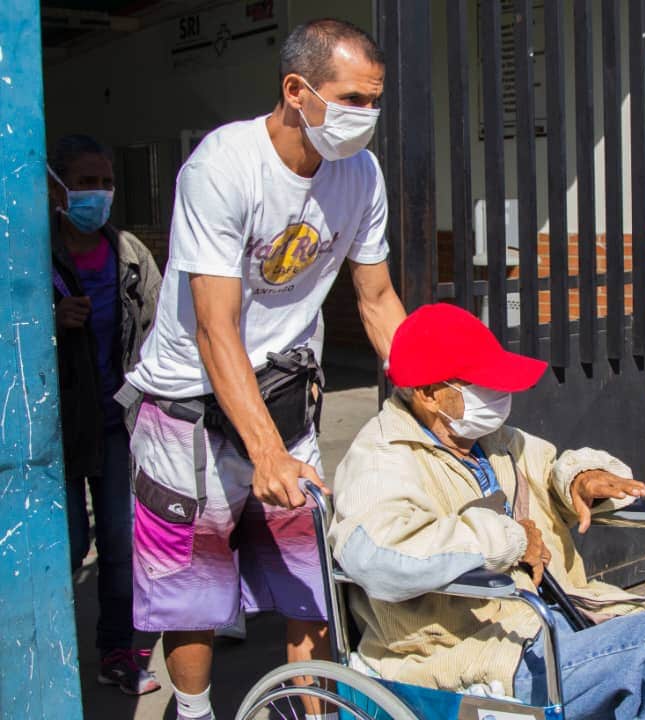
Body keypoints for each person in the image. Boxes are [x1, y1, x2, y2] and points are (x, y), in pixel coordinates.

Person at [328, 303, 645, 720]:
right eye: (477, 386)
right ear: (427, 393)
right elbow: (377, 556)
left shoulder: (491, 440)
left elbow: (552, 463)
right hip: (477, 654)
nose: (497, 394)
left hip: (565, 621)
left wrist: (581, 477)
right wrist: (505, 539)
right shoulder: (379, 461)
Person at [119, 19, 406, 720]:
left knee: (309, 585)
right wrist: (264, 451)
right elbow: (216, 325)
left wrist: (431, 392)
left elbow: (376, 299)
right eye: (351, 100)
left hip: (285, 400)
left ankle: (308, 709)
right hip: (189, 411)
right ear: (296, 90)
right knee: (195, 592)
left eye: (375, 102)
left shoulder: (360, 174)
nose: (364, 119)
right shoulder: (224, 166)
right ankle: (192, 711)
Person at [48, 134, 162, 695]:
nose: (98, 193)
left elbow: (161, 332)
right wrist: (48, 318)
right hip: (57, 430)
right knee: (65, 544)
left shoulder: (129, 253)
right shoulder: (29, 255)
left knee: (119, 545)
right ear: (57, 188)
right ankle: (47, 650)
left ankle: (115, 651)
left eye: (105, 182)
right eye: (85, 182)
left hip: (117, 425)